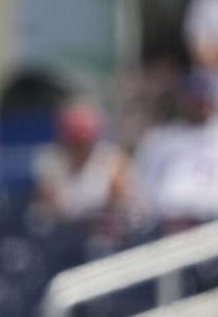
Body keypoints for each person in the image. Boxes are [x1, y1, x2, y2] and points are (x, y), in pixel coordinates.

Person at [133, 73, 218, 230]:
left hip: (211, 223)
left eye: (202, 99)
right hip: (168, 225)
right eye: (193, 99)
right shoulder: (160, 138)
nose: (198, 104)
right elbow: (143, 188)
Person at [32, 101, 133, 224]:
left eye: (84, 142)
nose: (79, 147)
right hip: (66, 230)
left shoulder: (112, 159)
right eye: (74, 143)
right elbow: (50, 207)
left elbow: (126, 205)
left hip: (104, 229)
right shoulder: (51, 161)